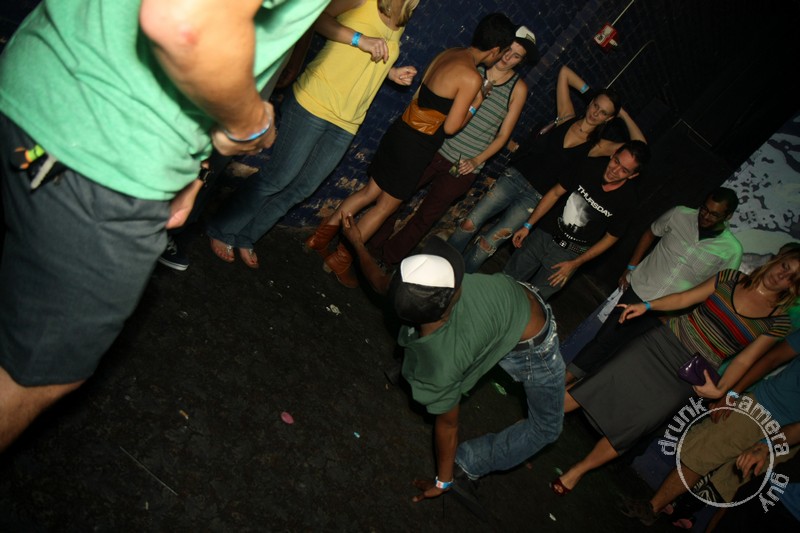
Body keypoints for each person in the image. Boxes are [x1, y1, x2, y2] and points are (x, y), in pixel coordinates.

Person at [0, 0, 327, 452]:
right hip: (107, 152)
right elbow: (184, 20)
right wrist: (251, 125)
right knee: (37, 373)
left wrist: (193, 169)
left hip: (35, 80)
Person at [338, 212, 564, 510]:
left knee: (453, 356)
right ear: (450, 300)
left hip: (512, 313)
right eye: (456, 281)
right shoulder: (444, 367)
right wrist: (443, 481)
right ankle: (469, 464)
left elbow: (380, 281)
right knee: (547, 428)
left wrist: (357, 243)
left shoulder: (411, 290)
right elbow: (447, 426)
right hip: (534, 349)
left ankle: (410, 369)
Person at [551, 248, 800, 496]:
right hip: (659, 344)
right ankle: (537, 424)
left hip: (688, 375)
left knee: (635, 425)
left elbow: (745, 361)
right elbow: (684, 299)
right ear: (777, 260)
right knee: (595, 385)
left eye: (791, 278)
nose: (782, 276)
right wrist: (648, 306)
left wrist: (721, 390)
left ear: (794, 288)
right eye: (785, 267)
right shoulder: (730, 278)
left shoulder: (778, 322)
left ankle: (578, 471)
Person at [303, 13, 517, 287]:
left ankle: (318, 239)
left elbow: (422, 94)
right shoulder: (472, 77)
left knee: (368, 192)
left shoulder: (450, 53)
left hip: (401, 131)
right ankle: (340, 259)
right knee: (383, 208)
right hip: (417, 147)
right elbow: (452, 127)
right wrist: (477, 103)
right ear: (495, 50)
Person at [205, 0, 420, 268]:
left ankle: (247, 235)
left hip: (348, 120)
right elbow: (318, 19)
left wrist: (391, 73)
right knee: (278, 178)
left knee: (301, 189)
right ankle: (223, 228)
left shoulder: (402, 17)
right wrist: (359, 39)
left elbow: (367, 59)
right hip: (314, 101)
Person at [366, 25, 538, 266]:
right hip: (433, 147)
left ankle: (390, 258)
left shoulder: (517, 89)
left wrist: (476, 161)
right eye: (508, 50)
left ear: (522, 61)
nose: (508, 57)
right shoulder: (474, 66)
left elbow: (503, 136)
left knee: (426, 216)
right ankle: (371, 247)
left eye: (517, 56)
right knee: (395, 198)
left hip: (465, 165)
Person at [448, 65, 646, 273]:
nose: (596, 113)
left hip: (535, 198)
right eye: (595, 105)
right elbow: (565, 73)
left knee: (487, 244)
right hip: (514, 177)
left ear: (608, 119)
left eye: (603, 112)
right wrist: (592, 93)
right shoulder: (566, 115)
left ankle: (459, 279)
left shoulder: (598, 146)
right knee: (469, 223)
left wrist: (622, 114)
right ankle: (441, 263)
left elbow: (640, 145)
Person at [617, 328, 800, 526]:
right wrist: (733, 393)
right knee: (702, 453)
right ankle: (653, 507)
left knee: (740, 490)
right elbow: (772, 359)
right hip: (763, 404)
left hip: (794, 438)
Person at [564, 187, 744, 384]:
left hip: (668, 313)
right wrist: (631, 266)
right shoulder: (679, 214)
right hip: (640, 290)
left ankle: (583, 391)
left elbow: (717, 292)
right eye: (705, 209)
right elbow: (650, 233)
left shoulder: (731, 250)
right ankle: (562, 382)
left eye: (714, 214)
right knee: (603, 340)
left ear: (728, 216)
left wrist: (679, 317)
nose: (706, 216)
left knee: (624, 358)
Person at [503, 140, 651, 301]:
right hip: (544, 234)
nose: (614, 171)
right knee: (505, 281)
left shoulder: (628, 200)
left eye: (624, 170)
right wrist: (528, 225)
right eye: (616, 161)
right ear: (613, 155)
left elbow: (610, 238)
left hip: (568, 256)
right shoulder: (589, 167)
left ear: (633, 175)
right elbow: (555, 193)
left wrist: (575, 263)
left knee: (532, 301)